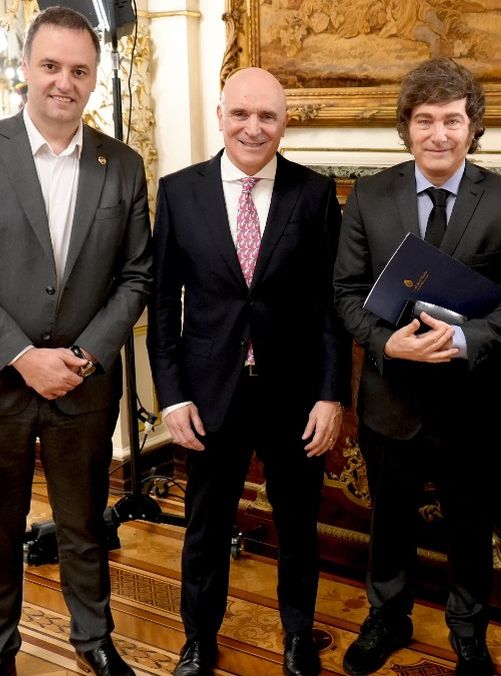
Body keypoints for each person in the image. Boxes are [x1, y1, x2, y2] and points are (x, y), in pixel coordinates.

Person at [0, 7, 149, 676]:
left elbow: (138, 274)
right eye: (51, 66)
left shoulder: (124, 164)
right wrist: (25, 357)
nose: (64, 82)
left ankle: (95, 641)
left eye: (79, 70)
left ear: (94, 79)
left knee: (85, 527)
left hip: (82, 388)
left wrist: (82, 358)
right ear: (26, 70)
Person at [334, 58, 501, 676]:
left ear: (473, 127)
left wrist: (466, 340)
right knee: (389, 521)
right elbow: (345, 291)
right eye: (425, 120)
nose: (439, 134)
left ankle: (468, 628)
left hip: (471, 402)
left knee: (471, 525)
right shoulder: (369, 195)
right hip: (390, 395)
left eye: (453, 120)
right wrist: (385, 344)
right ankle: (387, 618)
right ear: (407, 128)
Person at [146, 67, 351, 676]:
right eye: (241, 114)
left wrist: (331, 394)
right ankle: (199, 639)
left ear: (285, 124)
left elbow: (331, 307)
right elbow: (162, 305)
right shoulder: (180, 193)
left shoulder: (314, 195)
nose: (253, 127)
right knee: (206, 525)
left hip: (293, 395)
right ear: (221, 116)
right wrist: (173, 395)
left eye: (268, 116)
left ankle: (296, 634)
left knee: (298, 525)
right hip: (210, 395)